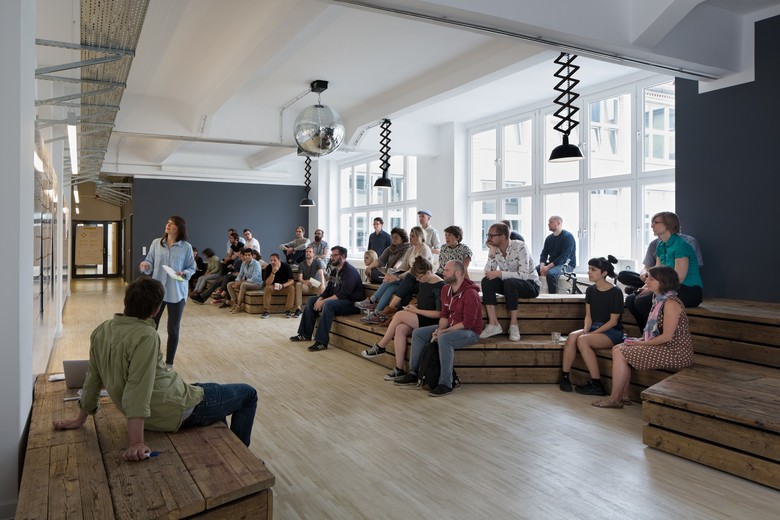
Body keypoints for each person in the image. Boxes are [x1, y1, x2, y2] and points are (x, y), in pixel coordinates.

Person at [52, 278, 258, 456]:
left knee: (212, 389)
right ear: (156, 310)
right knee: (248, 394)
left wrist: (80, 419)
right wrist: (136, 442)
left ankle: (230, 448)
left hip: (164, 403)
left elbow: (93, 377)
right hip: (171, 412)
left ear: (126, 302)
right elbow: (138, 388)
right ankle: (243, 457)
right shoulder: (146, 336)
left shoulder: (102, 329)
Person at [593, 266, 694, 409]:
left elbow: (666, 337)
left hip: (675, 351)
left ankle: (615, 398)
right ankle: (624, 396)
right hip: (664, 346)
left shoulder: (671, 303)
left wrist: (640, 344)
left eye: (651, 279)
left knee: (621, 352)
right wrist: (639, 340)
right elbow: (654, 332)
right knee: (617, 348)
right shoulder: (658, 299)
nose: (647, 281)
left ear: (663, 282)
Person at [393, 260, 482, 397]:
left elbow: (468, 323)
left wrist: (444, 332)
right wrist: (440, 329)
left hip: (469, 331)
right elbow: (444, 315)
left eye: (447, 270)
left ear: (458, 273)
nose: (443, 272)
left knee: (444, 339)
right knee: (418, 333)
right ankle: (414, 373)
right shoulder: (446, 289)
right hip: (450, 326)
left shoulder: (470, 293)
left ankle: (446, 383)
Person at [361, 257, 444, 382]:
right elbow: (425, 303)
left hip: (432, 321)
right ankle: (399, 369)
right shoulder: (424, 282)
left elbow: (439, 313)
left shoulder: (440, 286)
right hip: (421, 316)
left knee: (399, 315)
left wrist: (416, 311)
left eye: (419, 277)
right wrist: (413, 307)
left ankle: (381, 346)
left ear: (428, 272)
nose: (417, 280)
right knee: (400, 329)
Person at [626, 212, 703, 330]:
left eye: (655, 223)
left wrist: (653, 290)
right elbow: (656, 273)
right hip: (668, 288)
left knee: (642, 302)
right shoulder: (661, 245)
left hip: (688, 291)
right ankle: (647, 334)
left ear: (668, 225)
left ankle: (659, 335)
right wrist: (647, 287)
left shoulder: (680, 246)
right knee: (631, 300)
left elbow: (678, 278)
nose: (652, 225)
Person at [559, 256, 624, 396]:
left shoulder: (615, 292)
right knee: (572, 336)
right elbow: (588, 316)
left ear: (604, 273)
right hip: (595, 329)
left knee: (583, 340)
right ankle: (565, 377)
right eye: (589, 269)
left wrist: (591, 334)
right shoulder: (590, 290)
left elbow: (613, 322)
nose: (589, 272)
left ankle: (596, 384)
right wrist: (586, 329)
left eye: (593, 269)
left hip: (612, 332)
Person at [139, 216, 196, 369]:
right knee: (150, 327)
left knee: (173, 329)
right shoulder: (156, 243)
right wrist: (146, 265)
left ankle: (169, 364)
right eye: (168, 222)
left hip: (177, 293)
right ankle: (150, 359)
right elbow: (149, 261)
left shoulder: (186, 247)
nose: (168, 225)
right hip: (157, 292)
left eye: (172, 223)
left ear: (180, 228)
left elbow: (191, 268)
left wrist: (184, 273)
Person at [290, 246, 364, 351]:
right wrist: (320, 298)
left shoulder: (350, 271)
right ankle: (304, 334)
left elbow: (343, 294)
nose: (332, 257)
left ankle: (321, 342)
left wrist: (323, 301)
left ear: (343, 256)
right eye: (331, 255)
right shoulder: (334, 271)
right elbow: (328, 290)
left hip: (352, 304)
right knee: (312, 300)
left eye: (335, 255)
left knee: (328, 304)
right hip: (339, 301)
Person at [357, 226, 432, 324]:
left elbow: (415, 270)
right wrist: (392, 274)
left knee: (393, 281)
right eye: (410, 236)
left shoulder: (424, 249)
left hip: (420, 279)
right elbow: (403, 267)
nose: (410, 238)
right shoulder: (411, 250)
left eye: (413, 236)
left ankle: (372, 302)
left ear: (420, 237)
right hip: (409, 278)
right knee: (391, 287)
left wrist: (397, 277)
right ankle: (377, 313)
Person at [481, 222, 540, 342]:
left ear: (502, 236)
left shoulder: (520, 246)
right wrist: (491, 254)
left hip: (530, 285)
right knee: (486, 281)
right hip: (510, 285)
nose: (488, 239)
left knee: (510, 282)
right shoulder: (495, 250)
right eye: (488, 235)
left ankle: (513, 325)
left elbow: (523, 275)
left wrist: (500, 274)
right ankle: (493, 324)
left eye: (491, 235)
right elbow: (488, 273)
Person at [618, 232, 703, 295]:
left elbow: (690, 270)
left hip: (672, 282)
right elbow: (648, 266)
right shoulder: (656, 244)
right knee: (623, 275)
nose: (652, 226)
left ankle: (639, 289)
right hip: (654, 278)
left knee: (635, 295)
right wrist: (644, 273)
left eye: (656, 223)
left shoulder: (687, 242)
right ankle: (642, 288)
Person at [537, 215, 577, 294]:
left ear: (558, 223)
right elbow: (544, 254)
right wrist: (542, 266)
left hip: (567, 264)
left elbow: (564, 257)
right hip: (553, 264)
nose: (548, 224)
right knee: (533, 271)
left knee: (551, 274)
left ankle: (553, 297)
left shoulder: (568, 237)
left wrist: (547, 267)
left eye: (551, 222)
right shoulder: (549, 238)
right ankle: (535, 294)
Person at [227, 248, 264, 314]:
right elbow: (240, 274)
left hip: (257, 284)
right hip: (248, 283)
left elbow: (254, 278)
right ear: (243, 256)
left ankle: (239, 306)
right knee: (229, 284)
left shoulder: (256, 264)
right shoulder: (243, 263)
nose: (247, 257)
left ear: (252, 256)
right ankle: (235, 304)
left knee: (243, 285)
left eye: (249, 255)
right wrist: (237, 281)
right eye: (245, 255)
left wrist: (241, 282)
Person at [294, 245, 325, 318]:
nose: (308, 253)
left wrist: (323, 285)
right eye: (306, 251)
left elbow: (321, 274)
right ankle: (298, 309)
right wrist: (305, 281)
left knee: (322, 286)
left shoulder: (317, 262)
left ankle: (318, 308)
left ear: (313, 254)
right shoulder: (301, 264)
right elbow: (300, 278)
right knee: (298, 284)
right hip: (306, 285)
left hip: (316, 284)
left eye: (310, 252)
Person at [262, 253, 296, 318]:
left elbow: (291, 281)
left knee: (291, 288)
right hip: (273, 287)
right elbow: (267, 283)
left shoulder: (286, 266)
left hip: (284, 286)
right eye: (271, 260)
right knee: (267, 288)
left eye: (274, 260)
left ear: (279, 260)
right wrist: (273, 273)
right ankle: (266, 310)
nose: (272, 262)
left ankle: (288, 310)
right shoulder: (268, 267)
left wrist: (283, 285)